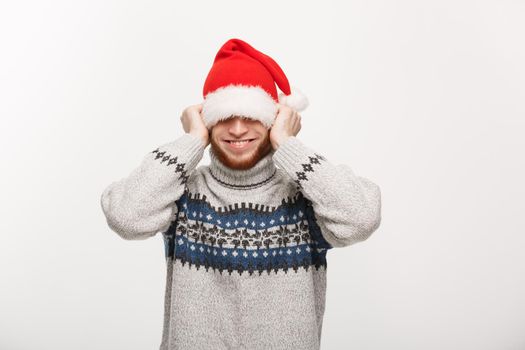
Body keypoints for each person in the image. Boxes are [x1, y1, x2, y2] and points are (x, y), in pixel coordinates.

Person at [100, 38, 382, 350]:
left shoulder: (305, 197)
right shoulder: (182, 192)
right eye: (224, 116)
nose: (236, 129)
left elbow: (361, 218)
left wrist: (288, 145)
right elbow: (126, 217)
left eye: (251, 116)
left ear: (274, 118)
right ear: (208, 121)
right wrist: (192, 140)